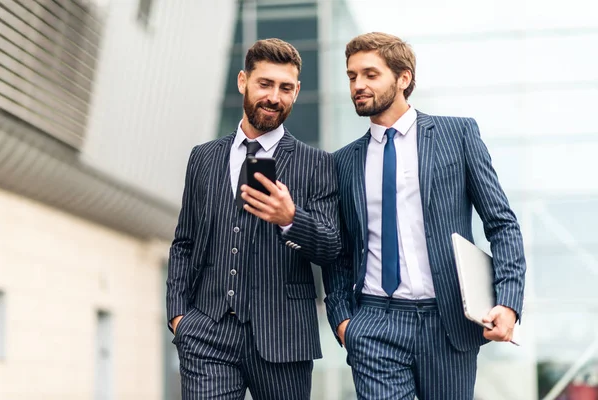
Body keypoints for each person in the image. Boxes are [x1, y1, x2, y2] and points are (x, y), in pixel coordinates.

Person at [323, 32, 526, 399]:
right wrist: (343, 320)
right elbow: (341, 249)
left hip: (446, 324)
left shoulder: (456, 134)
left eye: (370, 74)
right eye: (352, 76)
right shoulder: (343, 162)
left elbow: (501, 223)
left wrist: (509, 302)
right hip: (373, 323)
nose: (358, 85)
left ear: (403, 78)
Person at [167, 38, 341, 400]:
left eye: (286, 88)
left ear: (297, 91)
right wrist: (179, 316)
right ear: (243, 81)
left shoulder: (318, 163)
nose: (274, 97)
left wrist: (291, 219)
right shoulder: (203, 158)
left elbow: (331, 246)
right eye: (265, 84)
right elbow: (184, 243)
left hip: (284, 338)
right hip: (207, 333)